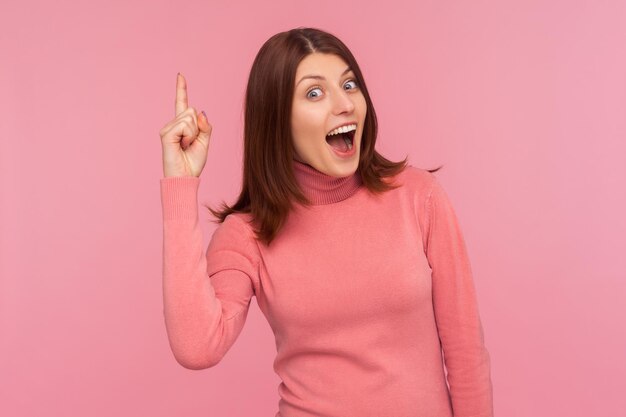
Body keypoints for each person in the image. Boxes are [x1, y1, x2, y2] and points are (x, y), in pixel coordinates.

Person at [159, 27, 493, 417]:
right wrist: (180, 185)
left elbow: (466, 351)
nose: (345, 104)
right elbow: (197, 347)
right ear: (277, 119)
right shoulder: (248, 234)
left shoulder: (419, 196)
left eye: (349, 84)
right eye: (314, 93)